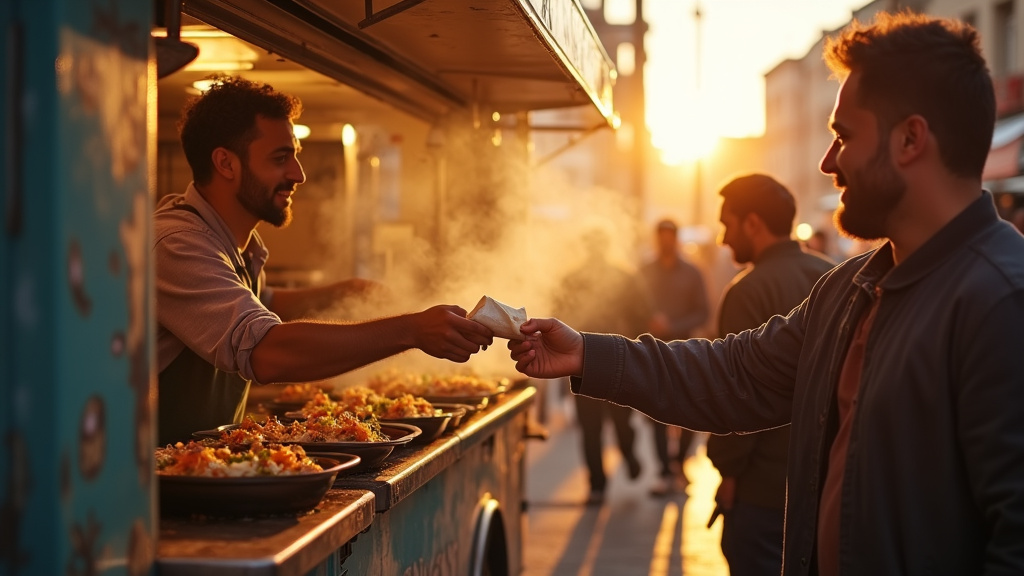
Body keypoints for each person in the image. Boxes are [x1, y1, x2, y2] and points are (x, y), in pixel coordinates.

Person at [509, 12, 1024, 575]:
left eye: (844, 136)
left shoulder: (1000, 302)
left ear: (910, 139)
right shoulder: (849, 291)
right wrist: (588, 353)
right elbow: (735, 374)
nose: (829, 162)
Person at [154, 77, 493, 445]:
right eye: (280, 158)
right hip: (151, 484)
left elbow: (261, 303)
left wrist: (349, 292)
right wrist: (412, 330)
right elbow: (267, 352)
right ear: (225, 163)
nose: (298, 174)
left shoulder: (230, 241)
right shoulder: (178, 244)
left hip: (204, 467)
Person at [706, 174, 834, 576]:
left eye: (727, 223)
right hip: (827, 484)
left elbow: (733, 394)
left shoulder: (747, 291)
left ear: (753, 223)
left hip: (761, 491)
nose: (724, 239)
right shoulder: (835, 280)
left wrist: (729, 473)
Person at [554, 226, 650, 505]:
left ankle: (628, 456)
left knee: (617, 421)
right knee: (593, 425)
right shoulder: (575, 279)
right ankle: (598, 482)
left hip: (613, 359)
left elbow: (640, 315)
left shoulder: (623, 278)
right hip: (586, 361)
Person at [639, 218, 709, 496]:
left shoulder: (693, 273)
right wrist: (649, 322)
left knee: (688, 411)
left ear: (676, 239)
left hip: (684, 351)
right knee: (655, 412)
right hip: (652, 351)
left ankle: (680, 463)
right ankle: (664, 472)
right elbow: (634, 306)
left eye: (670, 237)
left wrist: (675, 326)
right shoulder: (644, 272)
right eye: (661, 237)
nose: (666, 242)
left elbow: (703, 311)